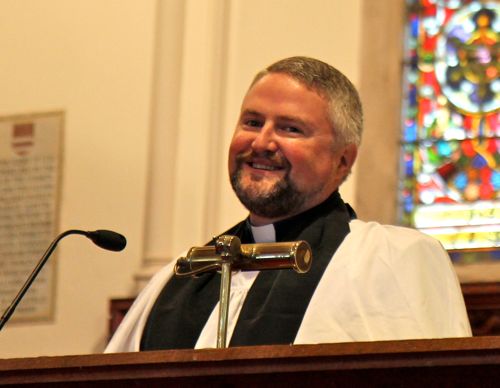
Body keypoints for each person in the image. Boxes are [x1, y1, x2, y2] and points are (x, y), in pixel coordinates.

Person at [105, 56, 471, 352]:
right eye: (252, 122)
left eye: (290, 128)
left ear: (343, 160)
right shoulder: (178, 279)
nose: (261, 142)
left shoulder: (394, 259)